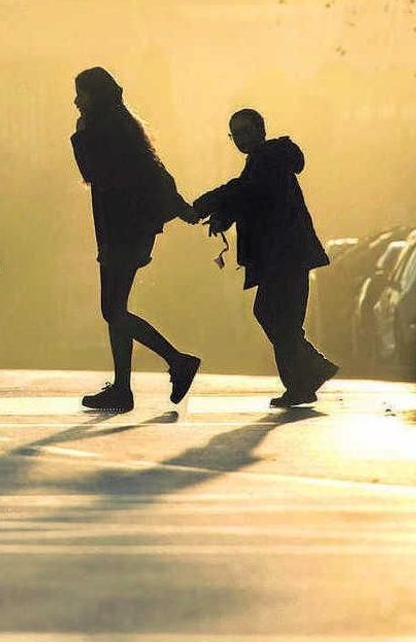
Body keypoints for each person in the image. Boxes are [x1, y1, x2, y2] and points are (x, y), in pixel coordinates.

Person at [70, 67, 203, 412]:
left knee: (112, 310)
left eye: (81, 94)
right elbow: (156, 172)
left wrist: (80, 136)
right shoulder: (123, 127)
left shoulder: (103, 130)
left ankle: (177, 361)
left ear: (95, 96)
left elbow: (92, 172)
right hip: (126, 231)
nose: (76, 101)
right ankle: (123, 388)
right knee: (116, 309)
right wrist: (181, 208)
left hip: (122, 231)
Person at [193, 108, 337, 407]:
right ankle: (304, 381)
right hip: (283, 255)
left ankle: (309, 373)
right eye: (235, 134)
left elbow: (246, 190)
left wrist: (208, 204)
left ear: (261, 130)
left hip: (285, 254)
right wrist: (224, 216)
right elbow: (252, 198)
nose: (240, 139)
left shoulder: (268, 158)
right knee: (280, 319)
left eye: (245, 131)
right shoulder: (264, 161)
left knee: (276, 317)